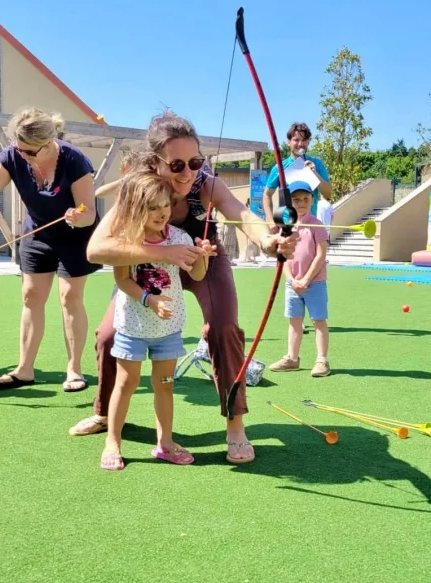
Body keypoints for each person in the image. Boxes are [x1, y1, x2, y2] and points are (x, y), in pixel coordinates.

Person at [71, 111, 297, 465]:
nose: (189, 172)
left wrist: (269, 241)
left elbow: (242, 213)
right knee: (108, 336)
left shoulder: (206, 183)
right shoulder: (139, 188)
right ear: (155, 161)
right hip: (149, 264)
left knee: (223, 328)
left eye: (195, 161)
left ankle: (235, 425)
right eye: (177, 165)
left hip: (201, 258)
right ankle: (104, 413)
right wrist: (162, 252)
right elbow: (96, 249)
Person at [0, 107, 100, 391]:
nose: (23, 155)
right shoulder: (12, 155)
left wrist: (79, 216)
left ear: (49, 142)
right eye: (19, 149)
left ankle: (74, 370)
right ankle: (24, 369)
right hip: (37, 234)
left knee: (70, 299)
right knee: (31, 297)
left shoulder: (74, 159)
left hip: (75, 235)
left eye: (30, 152)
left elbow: (89, 211)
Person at [100, 168, 215, 470]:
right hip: (133, 326)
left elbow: (198, 275)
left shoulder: (179, 236)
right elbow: (123, 281)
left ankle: (165, 443)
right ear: (135, 208)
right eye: (152, 207)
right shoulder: (126, 242)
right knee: (126, 382)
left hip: (168, 328)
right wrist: (149, 300)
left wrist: (201, 255)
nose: (161, 212)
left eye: (165, 204)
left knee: (164, 384)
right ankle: (113, 440)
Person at [269, 181, 330, 377]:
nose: (301, 203)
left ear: (312, 199)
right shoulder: (286, 227)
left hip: (315, 283)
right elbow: (282, 256)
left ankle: (322, 360)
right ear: (290, 203)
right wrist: (292, 280)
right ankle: (292, 358)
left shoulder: (317, 225)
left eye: (305, 199)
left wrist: (305, 280)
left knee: (318, 320)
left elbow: (320, 256)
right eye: (296, 200)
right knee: (295, 321)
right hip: (293, 284)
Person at [263, 122, 332, 223]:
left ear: (308, 142)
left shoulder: (317, 163)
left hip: (310, 225)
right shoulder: (280, 167)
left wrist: (315, 173)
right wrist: (270, 221)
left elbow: (328, 193)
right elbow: (267, 195)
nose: (300, 144)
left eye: (304, 140)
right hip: (286, 225)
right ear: (288, 142)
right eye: (296, 140)